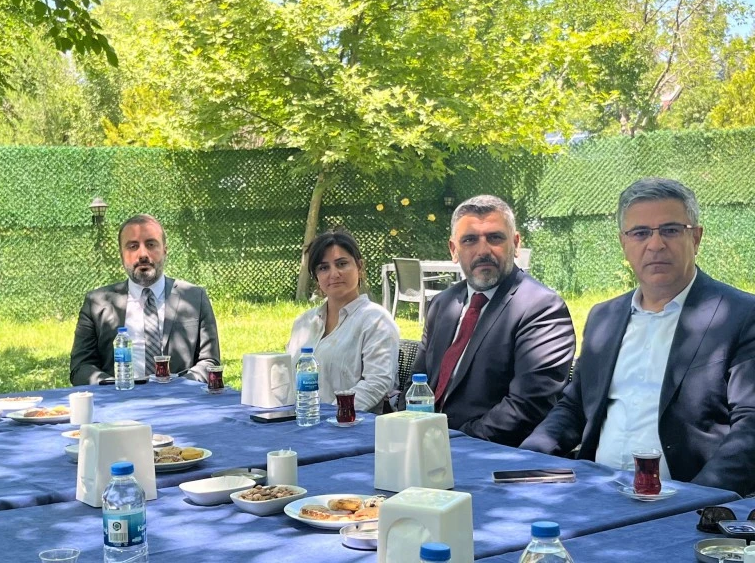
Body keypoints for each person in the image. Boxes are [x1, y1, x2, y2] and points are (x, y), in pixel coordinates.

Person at [521, 177, 755, 496]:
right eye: (641, 233)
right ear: (624, 243)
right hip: (596, 491)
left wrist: (696, 503)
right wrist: (526, 459)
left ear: (696, 237)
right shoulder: (604, 317)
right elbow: (574, 406)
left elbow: (750, 427)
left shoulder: (740, 316)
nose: (655, 245)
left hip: (684, 498)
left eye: (670, 230)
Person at [400, 195, 576, 446]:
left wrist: (452, 441)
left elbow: (527, 407)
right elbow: (416, 382)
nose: (483, 251)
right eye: (469, 240)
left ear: (515, 244)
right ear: (453, 250)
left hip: (484, 451)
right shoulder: (442, 304)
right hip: (422, 444)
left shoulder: (541, 307)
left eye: (495, 238)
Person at [70, 214, 221, 385]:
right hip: (120, 396)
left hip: (179, 397)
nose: (143, 254)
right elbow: (80, 367)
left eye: (151, 244)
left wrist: (179, 387)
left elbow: (210, 362)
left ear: (165, 250)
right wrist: (117, 386)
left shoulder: (194, 298)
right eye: (133, 246)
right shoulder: (97, 303)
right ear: (121, 254)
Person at [287, 229, 400, 414]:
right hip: (299, 422)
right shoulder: (304, 323)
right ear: (316, 277)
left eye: (342, 264)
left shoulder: (376, 321)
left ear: (360, 267)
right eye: (323, 268)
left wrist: (333, 415)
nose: (334, 273)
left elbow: (377, 383)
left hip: (351, 426)